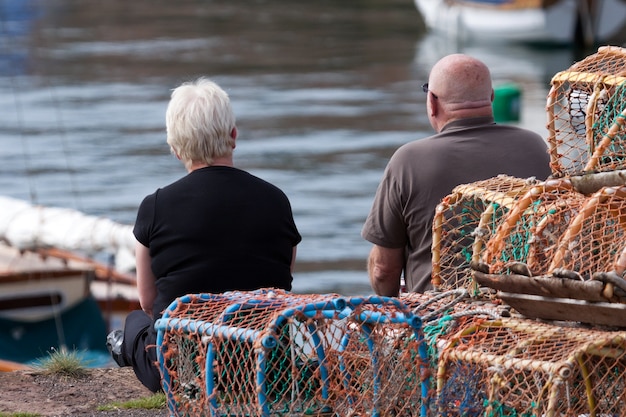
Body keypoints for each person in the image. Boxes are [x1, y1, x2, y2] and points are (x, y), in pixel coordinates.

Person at [107, 77, 302, 392]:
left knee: (134, 324)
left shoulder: (155, 206)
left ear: (174, 147)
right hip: (262, 358)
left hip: (184, 363)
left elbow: (147, 300)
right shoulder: (277, 200)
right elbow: (282, 282)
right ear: (234, 135)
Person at [361, 54, 552, 296]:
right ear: (491, 98)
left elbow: (383, 270)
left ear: (432, 101)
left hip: (437, 320)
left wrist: (390, 305)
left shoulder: (408, 160)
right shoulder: (534, 146)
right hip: (520, 310)